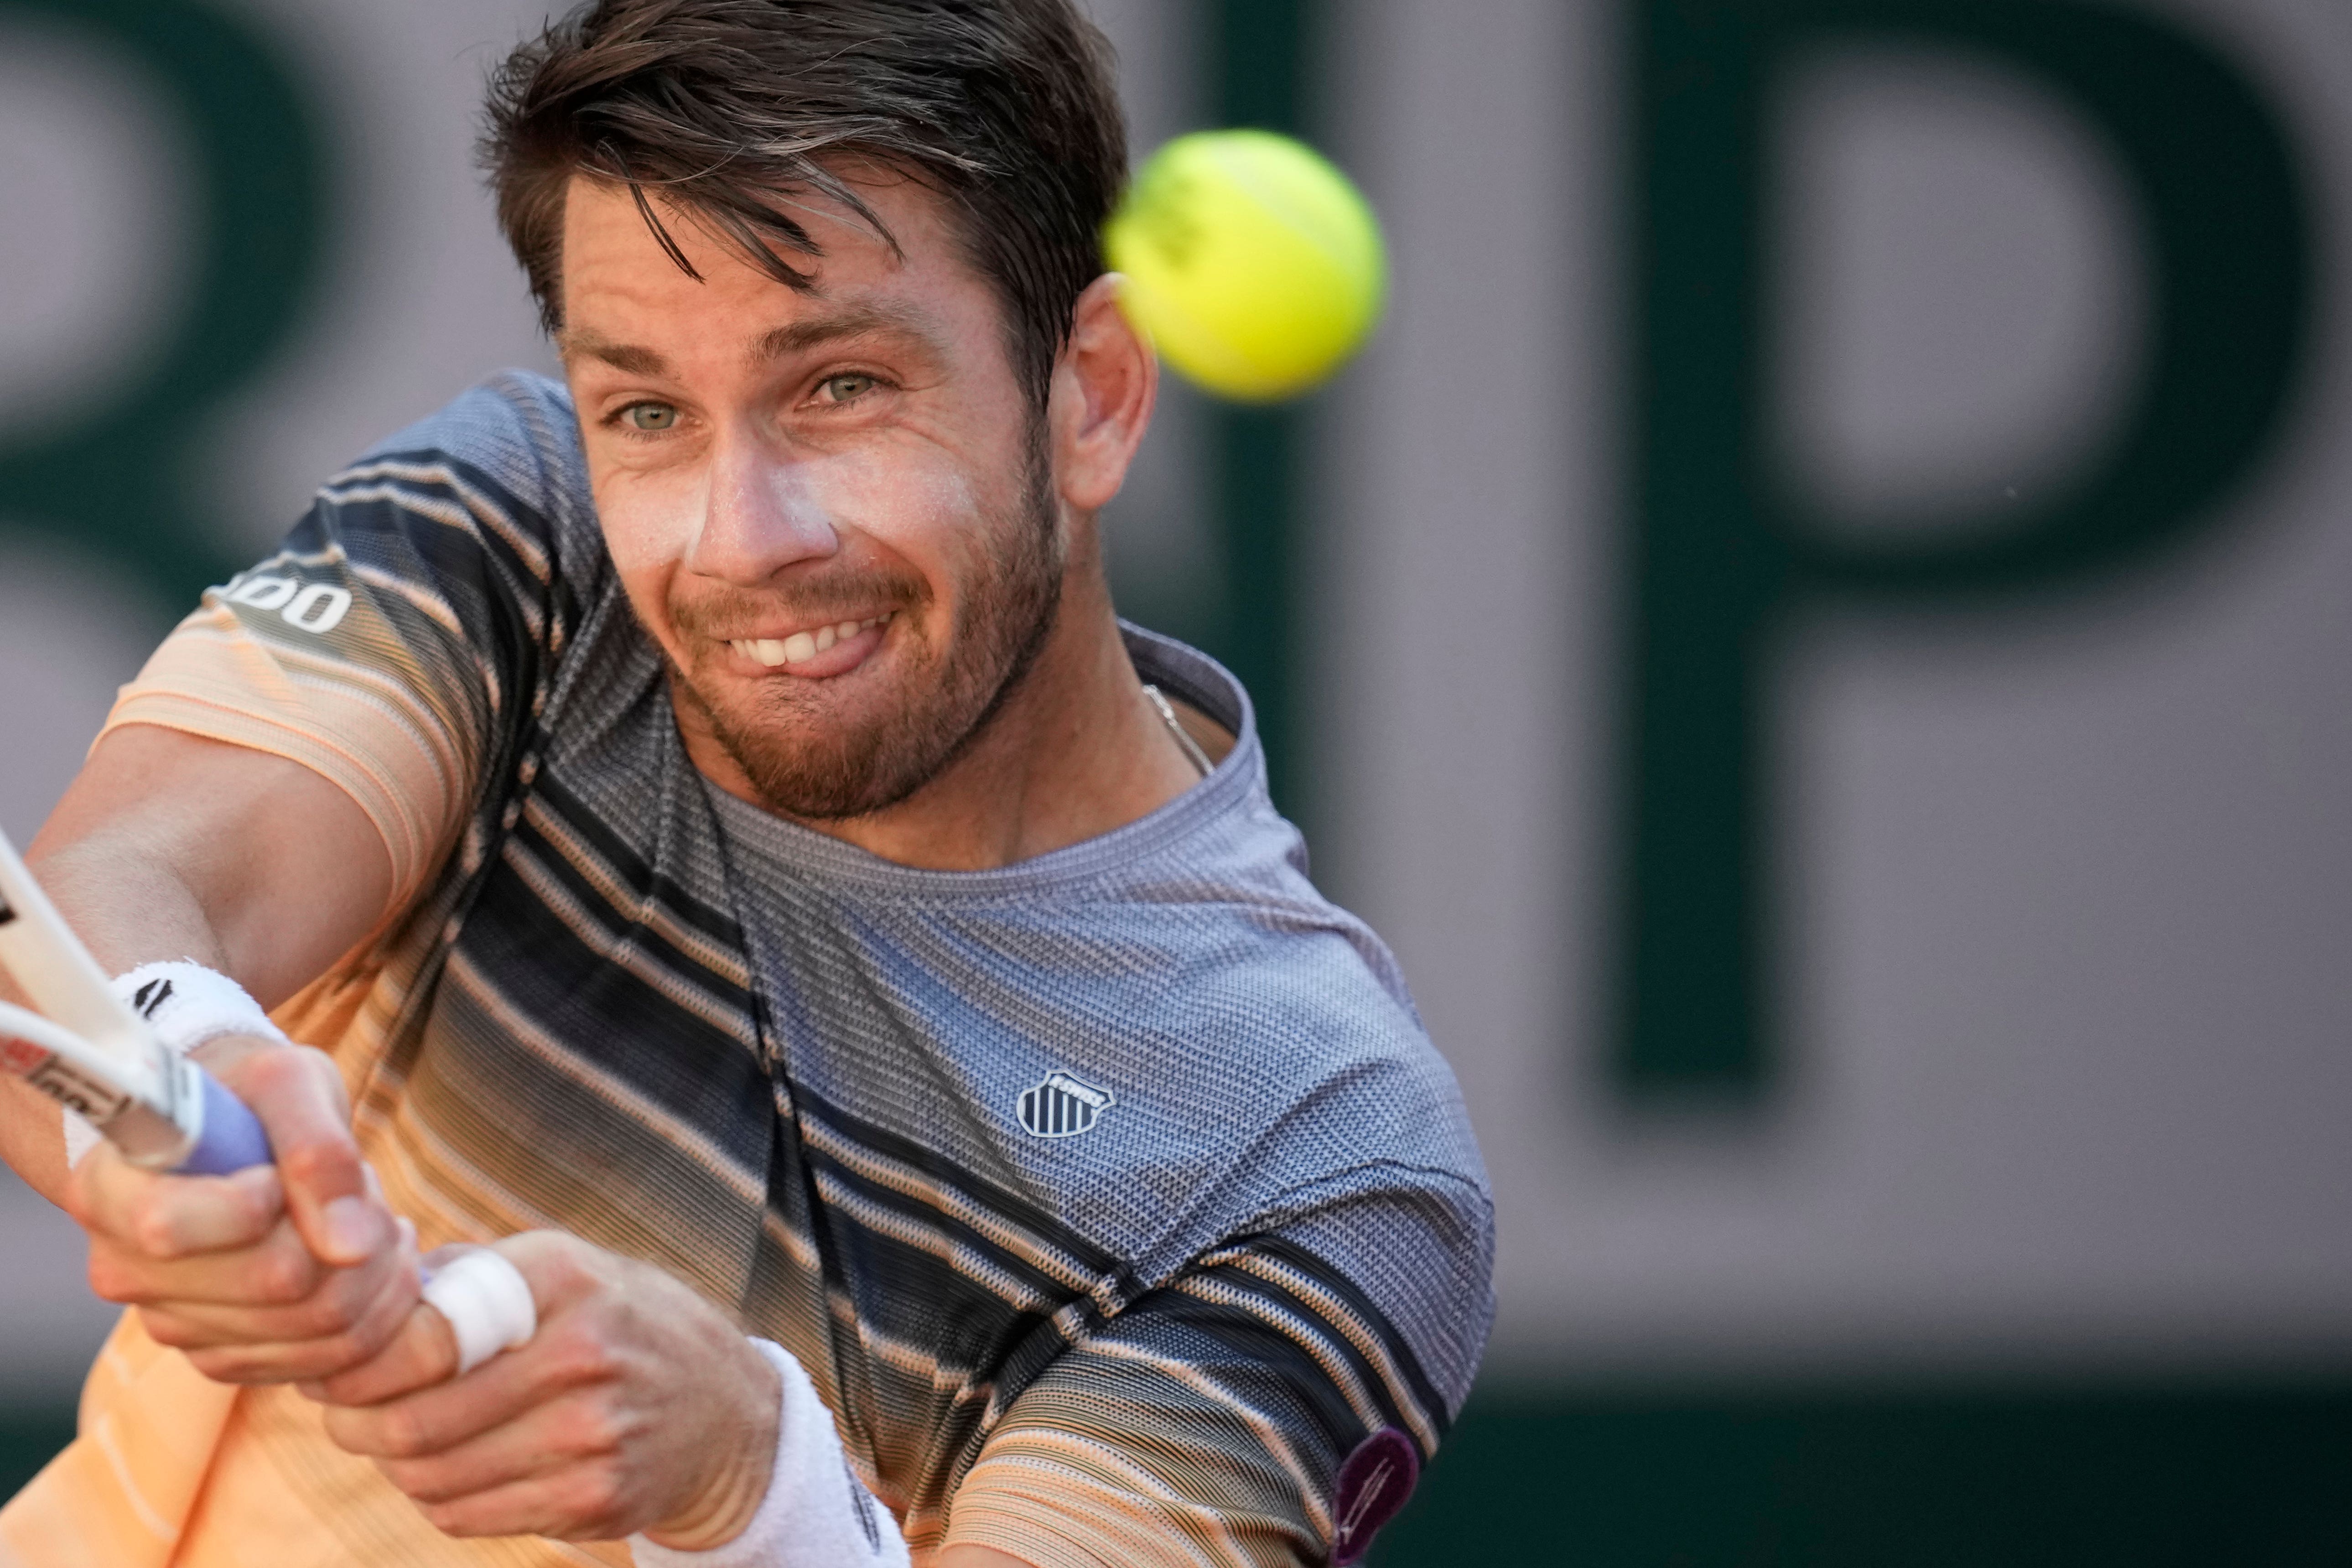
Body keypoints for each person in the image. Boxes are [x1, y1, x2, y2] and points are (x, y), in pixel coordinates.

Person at [0, 1, 1493, 1564]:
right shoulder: (525, 532)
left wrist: (750, 1481)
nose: (741, 541)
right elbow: (129, 891)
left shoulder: (1316, 1155)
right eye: (646, 411)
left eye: (839, 387)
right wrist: (182, 1081)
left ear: (1092, 393)